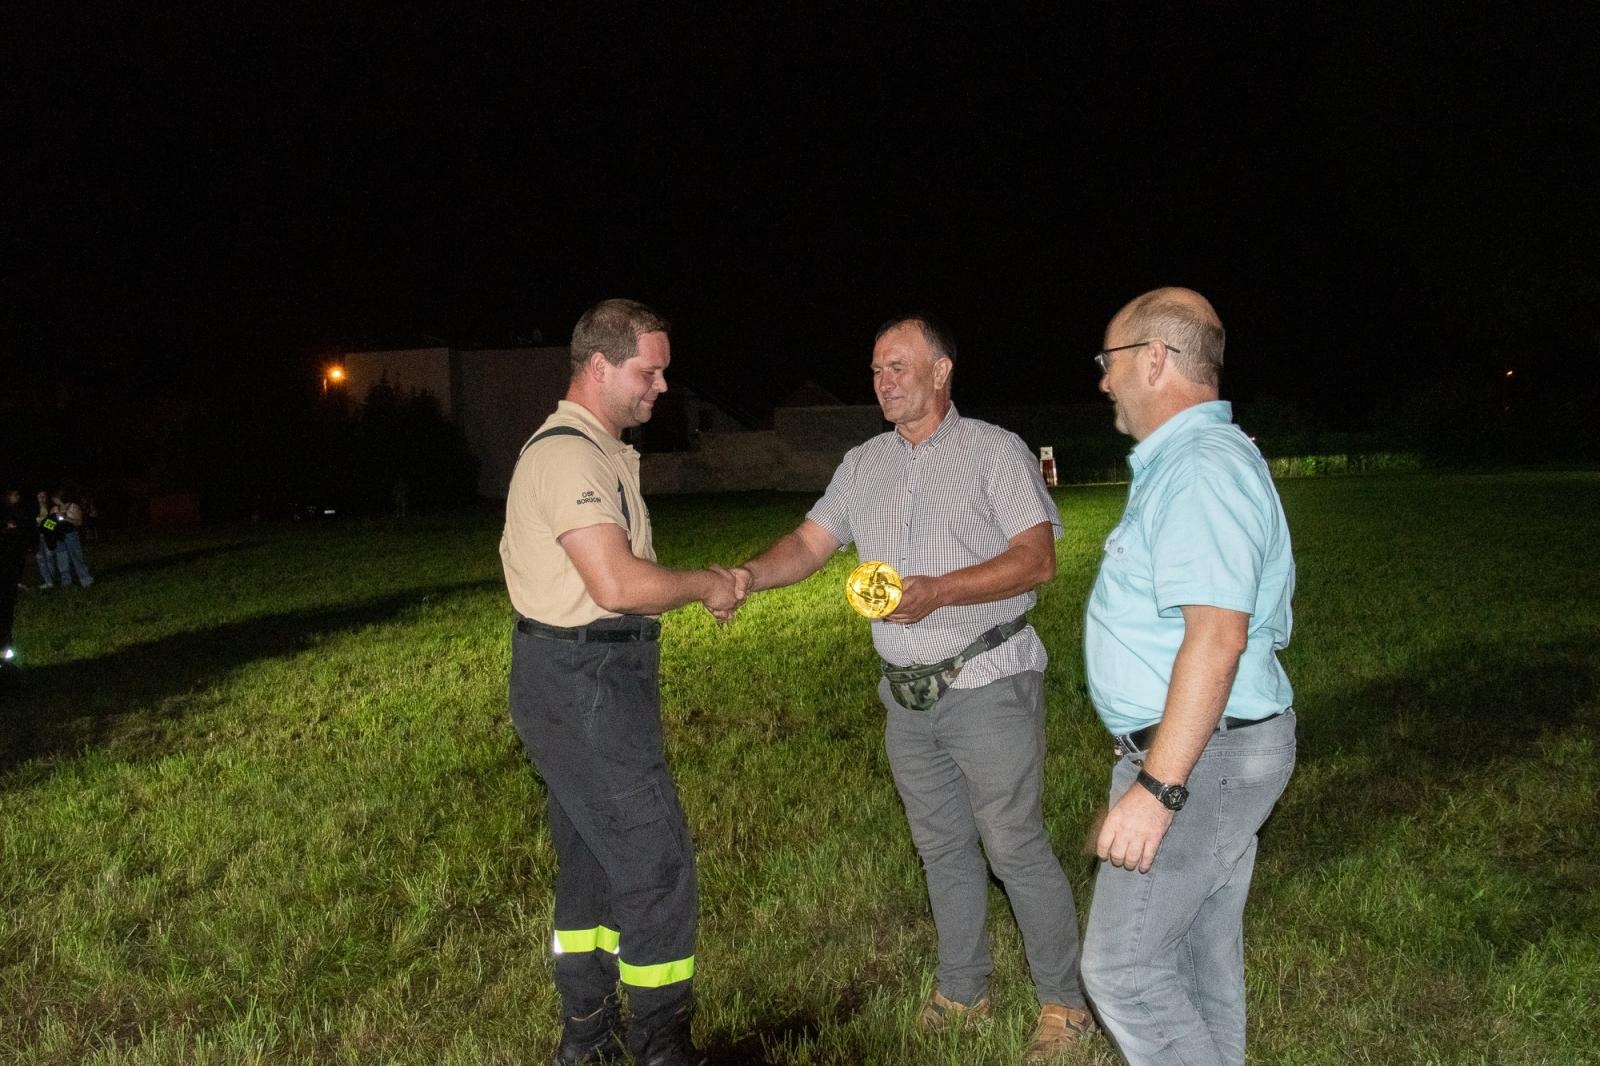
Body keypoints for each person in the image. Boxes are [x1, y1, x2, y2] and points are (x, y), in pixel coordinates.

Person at [729, 316, 1094, 1061]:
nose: (883, 381)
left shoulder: (995, 452)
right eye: (875, 369)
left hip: (988, 675)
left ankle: (1066, 1005)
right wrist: (744, 578)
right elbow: (807, 544)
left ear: (941, 372)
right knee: (940, 847)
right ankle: (964, 990)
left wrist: (937, 593)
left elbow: (1036, 560)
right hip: (906, 695)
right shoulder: (864, 464)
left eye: (898, 366)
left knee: (1013, 844)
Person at [500, 298, 735, 1066]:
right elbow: (614, 582)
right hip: (585, 677)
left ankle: (587, 1039)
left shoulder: (592, 449)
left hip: (577, 676)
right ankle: (662, 1044)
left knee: (596, 861)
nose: (662, 386)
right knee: (655, 862)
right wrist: (704, 585)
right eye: (650, 370)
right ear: (599, 367)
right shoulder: (567, 455)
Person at [1078, 288, 1297, 1065]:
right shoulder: (1192, 461)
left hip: (1203, 758)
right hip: (1214, 748)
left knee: (1124, 970)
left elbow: (1217, 638)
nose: (1103, 381)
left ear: (1156, 360)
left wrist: (1158, 788)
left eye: (1109, 362)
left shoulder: (1201, 468)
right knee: (1199, 958)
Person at [47, 488, 93, 588]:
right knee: (62, 560)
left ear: (59, 497)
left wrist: (65, 518)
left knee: (76, 557)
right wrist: (52, 525)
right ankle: (66, 583)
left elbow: (79, 522)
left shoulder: (73, 506)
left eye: (54, 498)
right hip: (59, 537)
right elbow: (48, 525)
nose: (53, 500)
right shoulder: (54, 509)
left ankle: (85, 580)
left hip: (71, 535)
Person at [34, 491, 58, 589]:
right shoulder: (32, 509)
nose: (42, 498)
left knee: (49, 559)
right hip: (36, 538)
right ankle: (48, 582)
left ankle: (53, 580)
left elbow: (53, 525)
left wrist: (42, 525)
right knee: (41, 560)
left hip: (48, 537)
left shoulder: (51, 508)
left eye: (44, 495)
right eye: (39, 496)